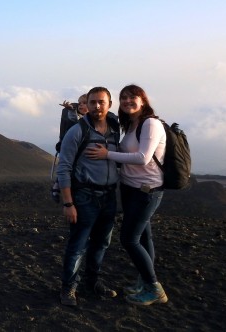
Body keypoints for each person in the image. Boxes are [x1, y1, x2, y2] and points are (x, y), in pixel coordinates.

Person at [85, 84, 169, 305]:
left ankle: (154, 288)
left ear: (143, 100)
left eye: (133, 98)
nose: (128, 102)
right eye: (123, 99)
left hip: (147, 190)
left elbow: (143, 157)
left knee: (129, 239)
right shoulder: (133, 124)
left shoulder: (150, 123)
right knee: (143, 237)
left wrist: (107, 155)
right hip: (132, 189)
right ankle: (145, 282)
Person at [56, 87, 120, 306]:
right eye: (92, 102)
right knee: (78, 245)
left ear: (109, 104)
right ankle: (68, 288)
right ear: (87, 104)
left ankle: (92, 283)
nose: (97, 106)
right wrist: (68, 203)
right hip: (84, 197)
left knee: (101, 243)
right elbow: (63, 168)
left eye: (101, 102)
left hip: (109, 196)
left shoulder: (116, 131)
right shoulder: (77, 131)